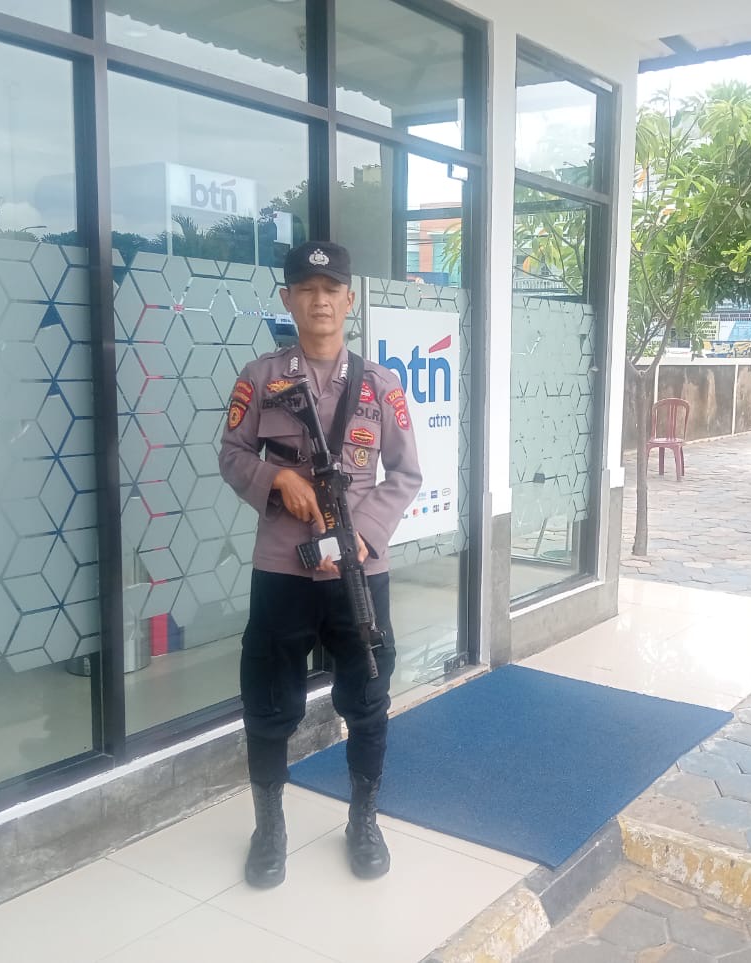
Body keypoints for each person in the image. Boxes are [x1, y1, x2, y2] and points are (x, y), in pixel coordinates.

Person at [219, 241, 422, 888]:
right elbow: (231, 453)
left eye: (331, 289)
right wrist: (276, 478)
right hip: (283, 567)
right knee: (268, 701)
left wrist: (365, 534)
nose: (320, 300)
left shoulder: (381, 385)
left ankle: (364, 819)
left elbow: (407, 474)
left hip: (359, 573)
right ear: (288, 299)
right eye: (306, 289)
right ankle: (269, 827)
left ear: (350, 299)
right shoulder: (260, 377)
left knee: (368, 697)